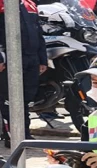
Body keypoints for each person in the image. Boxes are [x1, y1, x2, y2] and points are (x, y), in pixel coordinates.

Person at [0, 0, 47, 146]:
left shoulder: (30, 4)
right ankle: (12, 136)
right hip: (9, 59)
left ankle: (24, 134)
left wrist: (42, 59)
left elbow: (39, 33)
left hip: (31, 59)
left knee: (25, 99)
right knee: (9, 98)